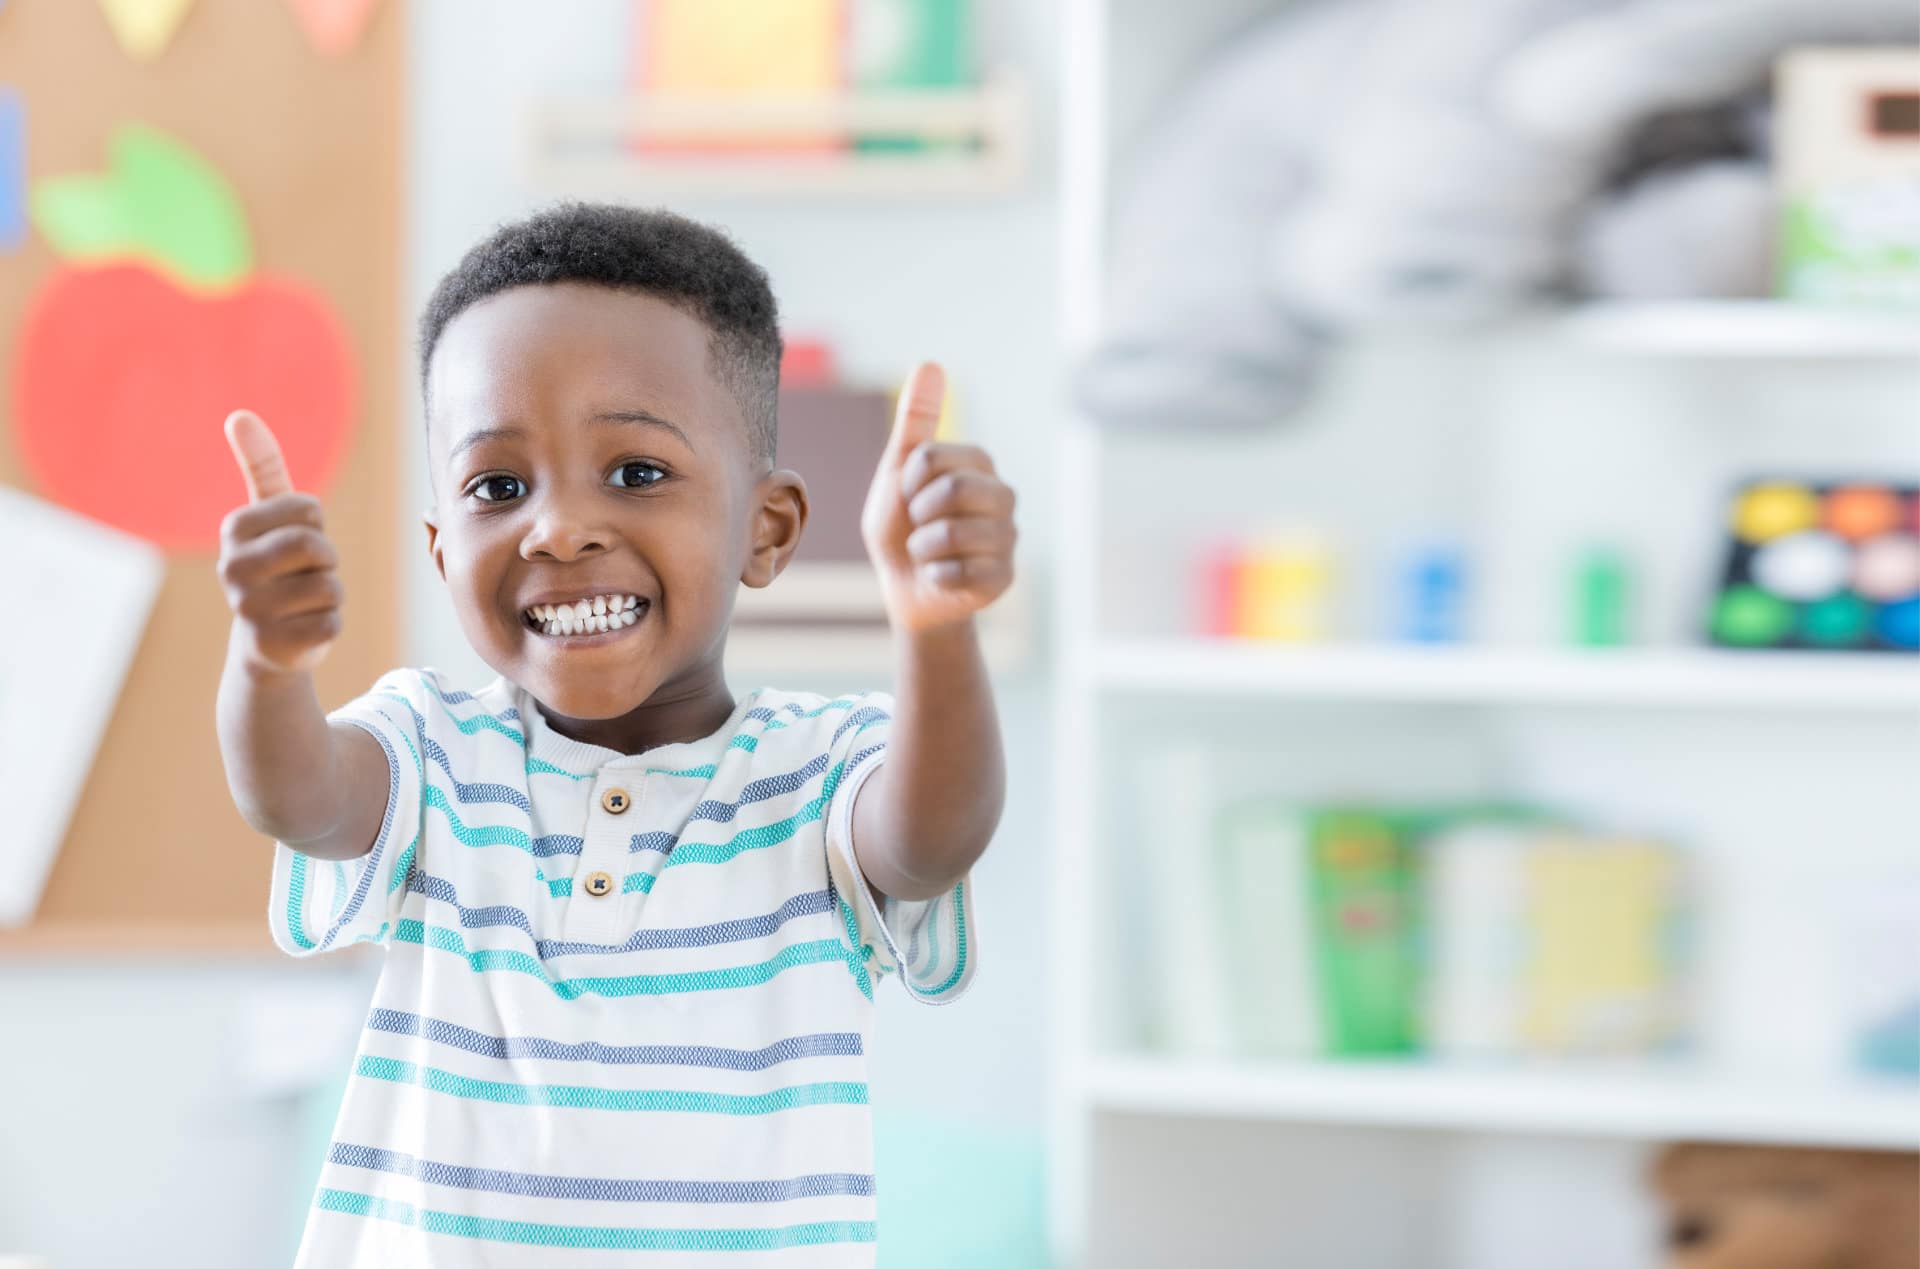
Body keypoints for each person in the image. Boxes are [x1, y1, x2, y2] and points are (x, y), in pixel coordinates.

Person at [214, 203, 1014, 1266]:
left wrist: (938, 628)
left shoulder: (821, 773)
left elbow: (932, 836)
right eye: (498, 486)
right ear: (444, 551)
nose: (556, 528)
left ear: (764, 530)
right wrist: (268, 665)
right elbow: (298, 797)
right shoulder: (432, 749)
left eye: (637, 472)